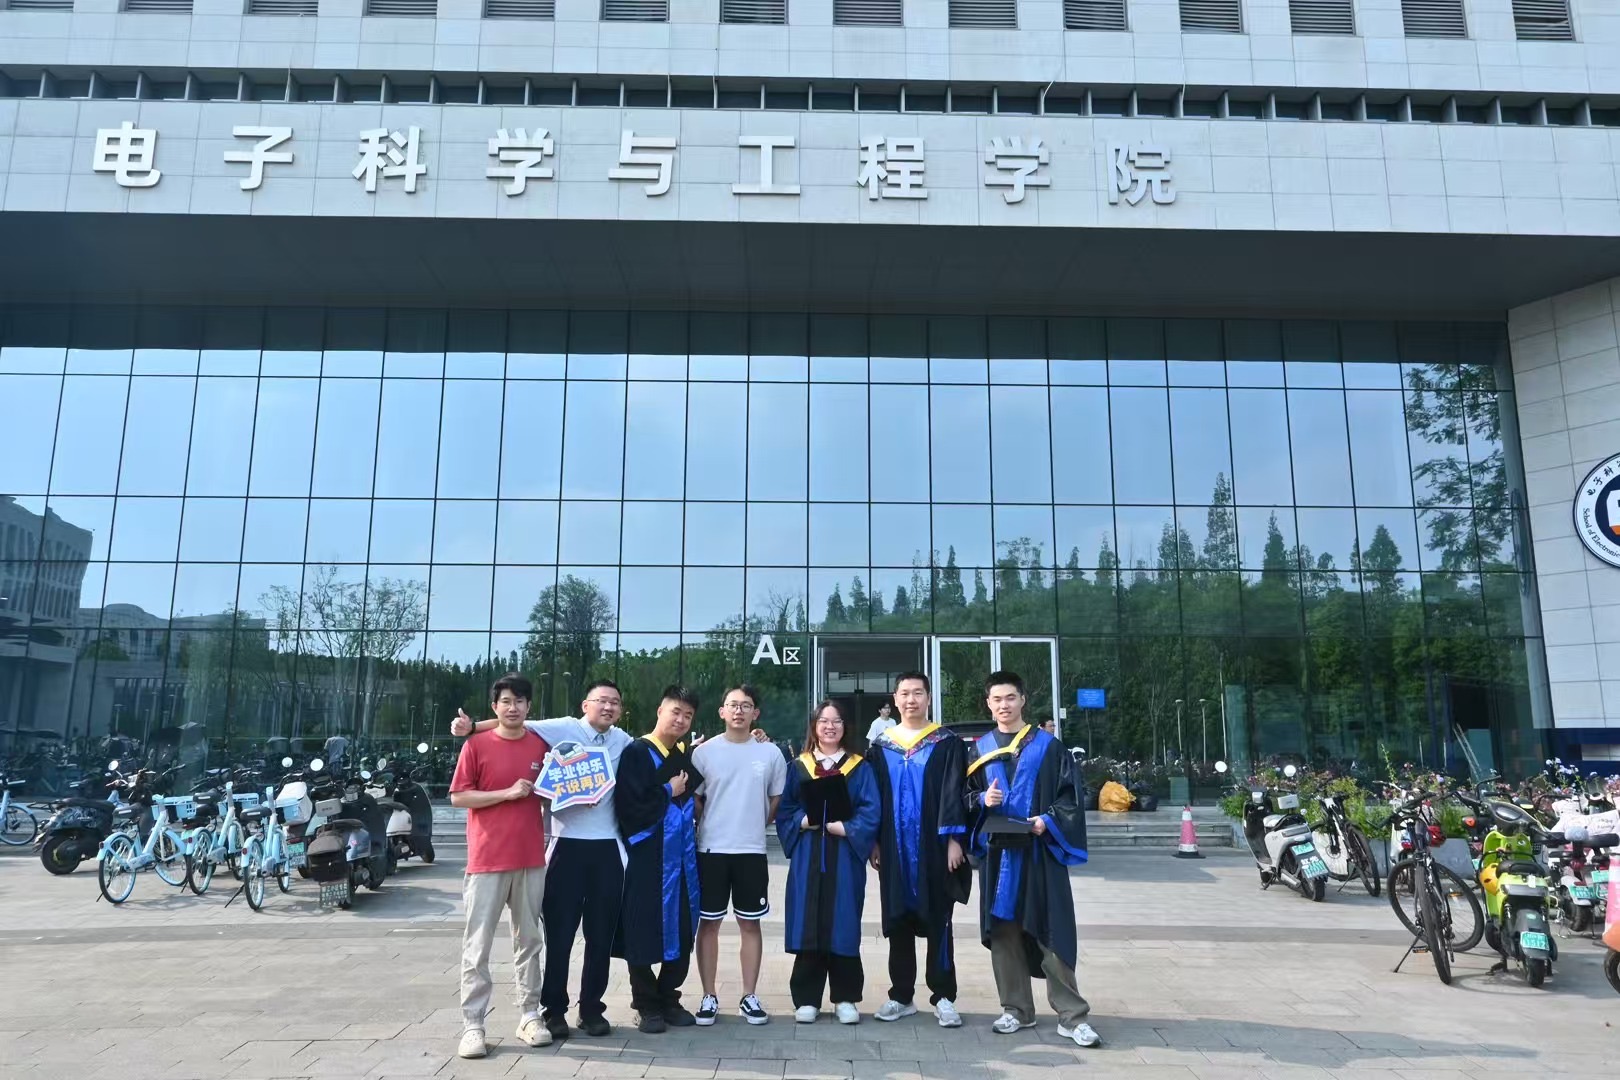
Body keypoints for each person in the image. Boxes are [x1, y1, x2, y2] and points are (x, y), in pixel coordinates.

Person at [450, 679, 634, 1039]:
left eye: (615, 702)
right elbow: (510, 723)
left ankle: (585, 1010)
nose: (608, 707)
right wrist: (470, 728)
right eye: (601, 700)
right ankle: (544, 1012)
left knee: (592, 936)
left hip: (596, 849)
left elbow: (651, 749)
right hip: (558, 847)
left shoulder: (621, 741)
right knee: (553, 937)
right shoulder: (559, 729)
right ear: (585, 705)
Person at [964, 672, 1099, 1049]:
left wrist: (1047, 820)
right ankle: (1016, 1009)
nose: (1004, 705)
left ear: (1023, 699)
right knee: (1004, 930)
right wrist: (981, 800)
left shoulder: (1049, 747)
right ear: (988, 704)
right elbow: (963, 798)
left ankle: (1072, 1016)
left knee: (1052, 931)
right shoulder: (979, 749)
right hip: (999, 856)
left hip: (1041, 854)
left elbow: (1070, 798)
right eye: (996, 699)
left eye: (1010, 697)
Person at [448, 673, 552, 1060]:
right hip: (487, 859)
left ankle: (530, 1015)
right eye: (506, 701)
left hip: (530, 858)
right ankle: (473, 1024)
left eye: (520, 701)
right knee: (478, 945)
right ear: (495, 706)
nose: (513, 708)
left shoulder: (541, 745)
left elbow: (552, 792)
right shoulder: (476, 745)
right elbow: (459, 797)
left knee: (530, 941)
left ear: (529, 706)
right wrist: (506, 794)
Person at [865, 670, 970, 1028]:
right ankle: (901, 995)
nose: (911, 700)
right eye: (905, 693)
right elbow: (873, 798)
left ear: (928, 698)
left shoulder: (946, 743)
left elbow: (955, 792)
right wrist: (874, 841)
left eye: (918, 693)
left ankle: (944, 996)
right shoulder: (881, 747)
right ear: (895, 700)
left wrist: (955, 840)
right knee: (897, 920)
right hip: (893, 848)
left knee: (940, 919)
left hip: (935, 847)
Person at [776, 700, 881, 1025]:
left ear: (845, 727)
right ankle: (807, 998)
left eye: (836, 721)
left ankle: (845, 998)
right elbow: (786, 809)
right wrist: (805, 821)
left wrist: (844, 828)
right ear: (814, 726)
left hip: (844, 855)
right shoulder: (799, 766)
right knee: (807, 921)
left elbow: (871, 810)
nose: (830, 726)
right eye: (824, 721)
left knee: (843, 920)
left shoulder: (860, 768)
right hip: (808, 854)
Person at [692, 685, 789, 1026]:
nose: (738, 711)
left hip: (751, 850)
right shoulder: (703, 754)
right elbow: (696, 799)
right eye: (732, 705)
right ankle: (708, 995)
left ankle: (749, 996)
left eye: (745, 705)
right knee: (709, 924)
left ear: (755, 713)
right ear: (721, 711)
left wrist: (756, 823)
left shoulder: (770, 753)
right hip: (711, 850)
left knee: (750, 923)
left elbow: (776, 798)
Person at [615, 685, 704, 1034]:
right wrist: (669, 790)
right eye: (675, 711)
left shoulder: (683, 753)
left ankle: (669, 998)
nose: (681, 720)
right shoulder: (637, 752)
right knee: (641, 928)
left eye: (688, 715)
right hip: (647, 859)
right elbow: (629, 806)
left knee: (682, 928)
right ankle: (646, 1003)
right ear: (660, 711)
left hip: (682, 860)